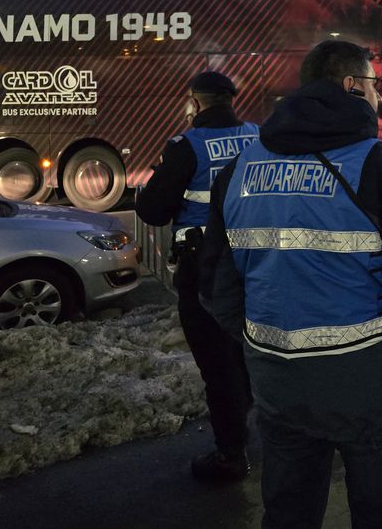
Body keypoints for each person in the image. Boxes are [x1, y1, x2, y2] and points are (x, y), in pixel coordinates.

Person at [199, 39, 382, 529]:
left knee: (288, 515)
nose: (379, 95)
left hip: (281, 389)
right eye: (373, 84)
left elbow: (217, 288)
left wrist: (265, 345)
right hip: (374, 393)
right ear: (351, 86)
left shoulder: (239, 171)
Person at [135, 71, 258, 483]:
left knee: (217, 362)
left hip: (204, 267)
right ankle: (260, 423)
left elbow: (153, 211)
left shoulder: (187, 146)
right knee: (251, 349)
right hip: (254, 260)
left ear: (196, 101)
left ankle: (231, 454)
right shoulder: (257, 136)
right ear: (231, 99)